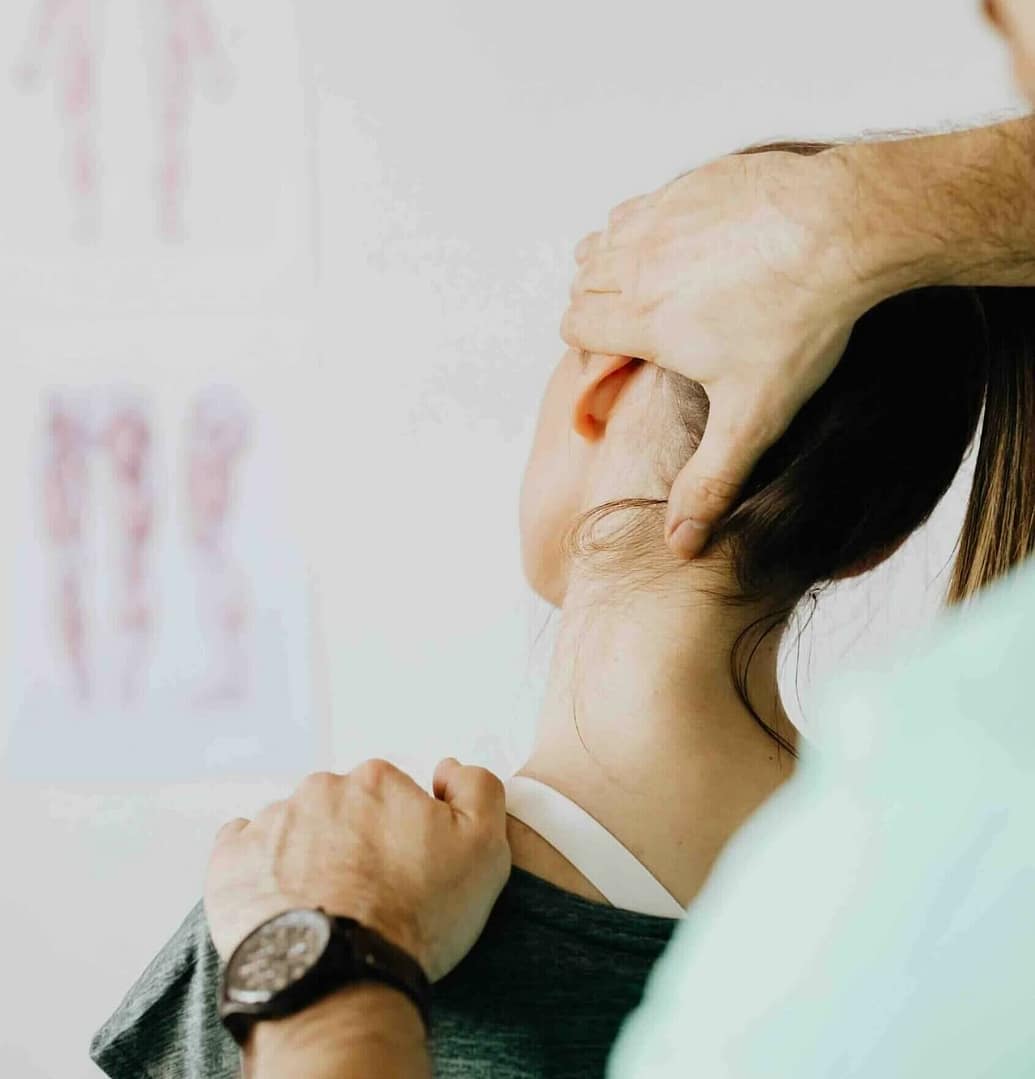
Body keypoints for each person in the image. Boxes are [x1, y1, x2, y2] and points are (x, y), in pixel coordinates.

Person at [96, 4, 1035, 1076]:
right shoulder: (969, 903)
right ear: (871, 534)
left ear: (600, 389)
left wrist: (314, 954)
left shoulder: (293, 927)